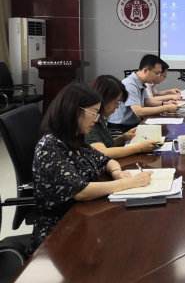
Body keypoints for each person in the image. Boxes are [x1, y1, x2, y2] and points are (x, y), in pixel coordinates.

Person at [28, 83, 153, 254]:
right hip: (59, 232)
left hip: (85, 216)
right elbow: (81, 191)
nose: (96, 118)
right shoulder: (50, 145)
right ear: (73, 110)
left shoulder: (75, 138)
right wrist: (129, 183)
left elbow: (105, 159)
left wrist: (117, 172)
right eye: (93, 112)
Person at [87, 75, 159, 157]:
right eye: (115, 102)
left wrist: (124, 138)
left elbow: (106, 144)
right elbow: (102, 153)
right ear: (103, 98)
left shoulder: (99, 117)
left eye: (119, 102)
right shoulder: (89, 120)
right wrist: (140, 148)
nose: (117, 106)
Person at [109, 54, 179, 130]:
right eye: (157, 73)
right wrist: (166, 108)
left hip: (133, 125)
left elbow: (148, 102)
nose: (158, 76)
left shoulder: (140, 83)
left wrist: (165, 104)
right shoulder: (130, 84)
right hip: (120, 128)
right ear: (146, 70)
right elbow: (139, 112)